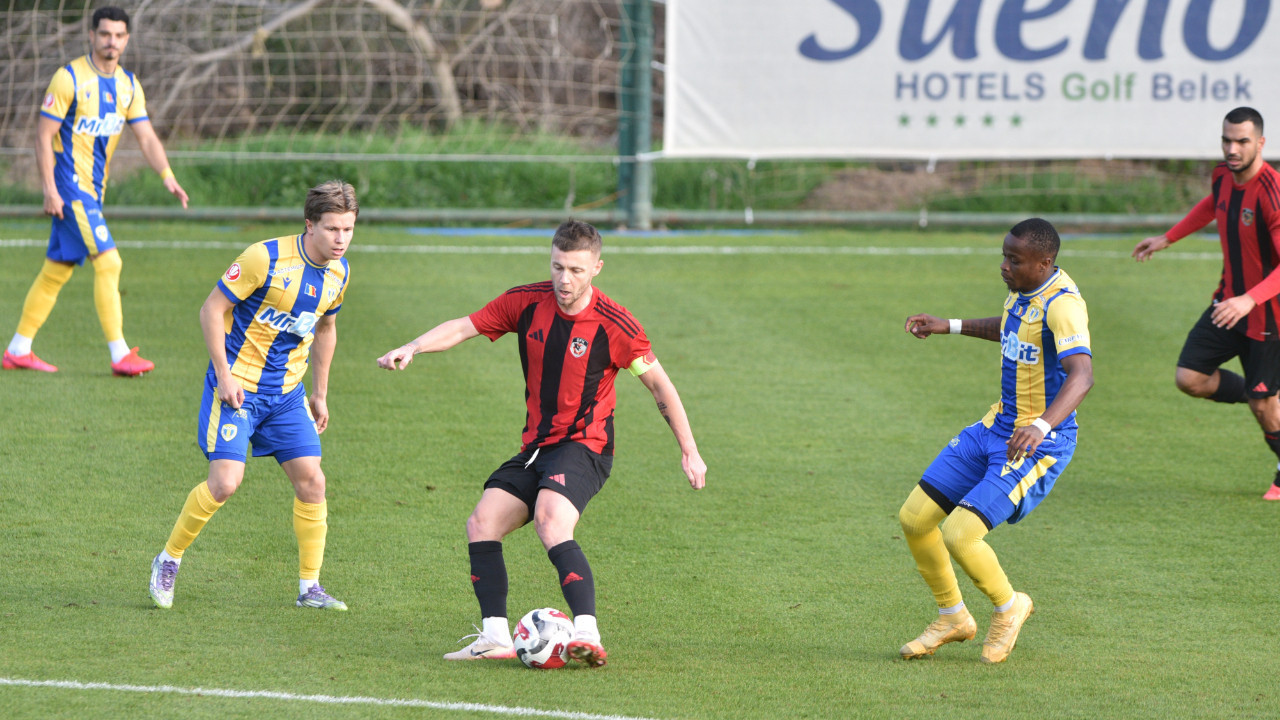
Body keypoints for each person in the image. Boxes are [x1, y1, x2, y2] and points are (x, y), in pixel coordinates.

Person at [377, 219, 707, 667]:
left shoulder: (616, 325)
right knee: (482, 522)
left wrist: (689, 449)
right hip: (536, 447)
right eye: (557, 267)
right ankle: (495, 637)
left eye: (575, 270)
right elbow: (463, 327)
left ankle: (587, 634)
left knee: (551, 521)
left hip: (586, 446)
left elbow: (660, 386)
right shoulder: (526, 302)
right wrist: (413, 347)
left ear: (596, 269)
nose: (564, 279)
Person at [147, 180, 356, 612]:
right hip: (238, 388)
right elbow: (211, 309)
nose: (341, 239)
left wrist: (320, 393)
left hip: (286, 394)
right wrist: (224, 377)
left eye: (348, 229)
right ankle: (168, 559)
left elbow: (326, 328)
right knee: (225, 483)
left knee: (312, 481)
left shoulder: (340, 273)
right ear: (309, 225)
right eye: (332, 228)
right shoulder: (265, 258)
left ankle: (310, 588)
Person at [899, 218, 1094, 664]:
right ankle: (952, 617)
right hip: (996, 427)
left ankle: (1010, 607)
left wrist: (1040, 426)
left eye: (1014, 260)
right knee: (914, 519)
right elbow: (1009, 327)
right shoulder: (1024, 290)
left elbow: (1082, 376)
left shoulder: (1062, 306)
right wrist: (949, 325)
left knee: (960, 534)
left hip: (1038, 443)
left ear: (1044, 262)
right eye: (1004, 256)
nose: (1004, 266)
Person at [4, 6, 188, 376]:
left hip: (92, 191)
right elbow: (43, 136)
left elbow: (146, 136)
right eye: (105, 34)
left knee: (56, 271)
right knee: (109, 262)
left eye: (118, 36)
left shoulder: (128, 85)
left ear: (127, 40)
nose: (111, 42)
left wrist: (166, 174)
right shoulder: (69, 78)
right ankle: (120, 354)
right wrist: (49, 189)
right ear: (91, 35)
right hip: (70, 188)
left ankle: (18, 349)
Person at [1133, 107, 1280, 500]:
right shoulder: (1222, 175)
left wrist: (1250, 299)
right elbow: (1213, 204)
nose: (1232, 149)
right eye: (1227, 140)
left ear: (1261, 143)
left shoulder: (1272, 193)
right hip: (1227, 303)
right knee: (1190, 378)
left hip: (1267, 316)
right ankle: (1264, 393)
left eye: (1242, 141)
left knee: (1264, 409)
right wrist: (1168, 238)